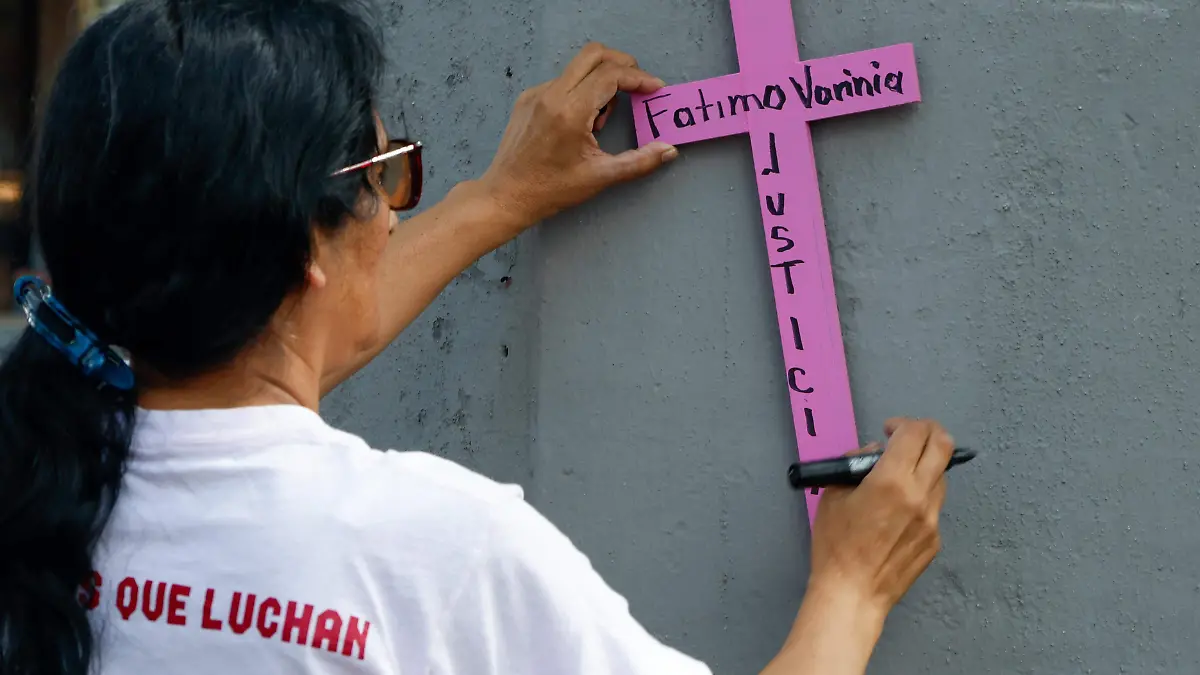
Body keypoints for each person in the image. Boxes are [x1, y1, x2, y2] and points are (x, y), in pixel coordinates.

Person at [0, 1, 956, 674]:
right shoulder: (434, 552)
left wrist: (499, 198)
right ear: (302, 254)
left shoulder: (42, 466)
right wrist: (855, 585)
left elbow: (265, 367)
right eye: (388, 174)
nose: (391, 218)